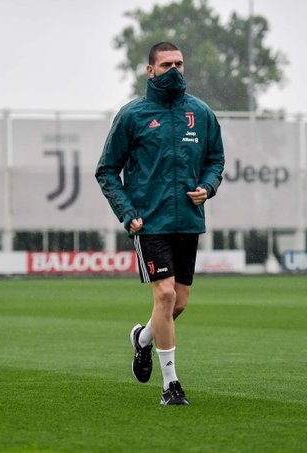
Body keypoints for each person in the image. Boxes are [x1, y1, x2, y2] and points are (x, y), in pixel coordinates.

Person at [95, 42, 225, 405]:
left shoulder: (200, 113)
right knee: (164, 295)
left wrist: (208, 186)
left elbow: (215, 159)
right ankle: (171, 385)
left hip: (188, 221)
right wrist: (127, 212)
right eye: (166, 64)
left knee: (178, 303)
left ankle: (142, 339)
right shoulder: (132, 115)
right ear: (150, 71)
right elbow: (106, 170)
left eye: (179, 63)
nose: (174, 70)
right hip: (148, 224)